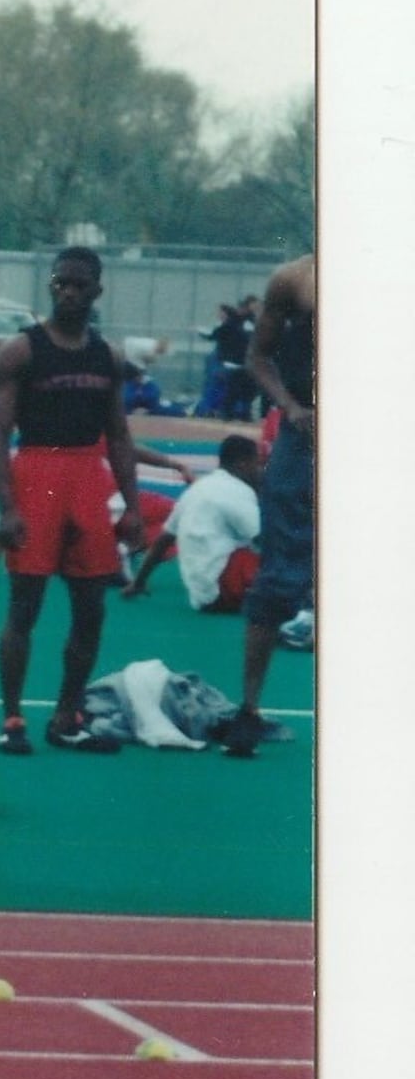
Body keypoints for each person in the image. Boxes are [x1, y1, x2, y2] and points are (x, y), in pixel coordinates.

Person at [0, 247, 143, 756]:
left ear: (97, 291)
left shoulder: (108, 357)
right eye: (62, 283)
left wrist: (134, 506)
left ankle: (66, 715)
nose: (70, 292)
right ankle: (12, 718)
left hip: (85, 476)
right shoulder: (21, 352)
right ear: (51, 287)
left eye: (80, 285)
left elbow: (118, 436)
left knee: (90, 607)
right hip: (38, 473)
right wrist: (8, 507)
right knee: (25, 605)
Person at [222, 254, 314, 758]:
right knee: (279, 577)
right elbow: (260, 356)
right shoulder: (296, 279)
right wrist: (291, 406)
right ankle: (249, 709)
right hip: (306, 439)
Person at [122, 434, 264, 612]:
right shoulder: (237, 492)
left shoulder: (198, 488)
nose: (260, 470)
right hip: (226, 588)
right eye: (257, 464)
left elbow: (163, 541)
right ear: (242, 464)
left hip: (202, 597)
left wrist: (138, 582)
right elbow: (265, 539)